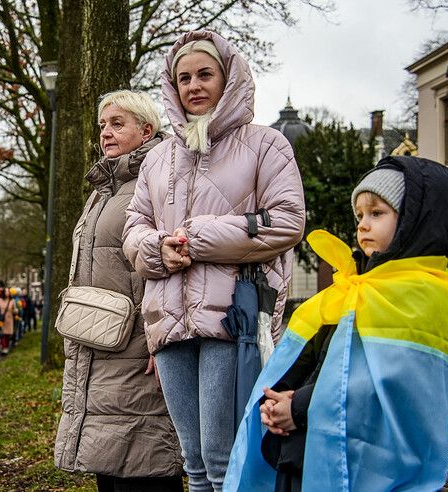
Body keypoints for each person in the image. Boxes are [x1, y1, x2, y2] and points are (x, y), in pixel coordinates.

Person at [122, 31, 305, 491]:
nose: (194, 85)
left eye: (205, 74)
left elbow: (287, 221)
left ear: (229, 79)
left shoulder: (266, 145)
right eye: (183, 77)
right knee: (195, 462)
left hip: (231, 320)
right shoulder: (158, 158)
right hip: (168, 322)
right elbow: (134, 227)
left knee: (225, 461)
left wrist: (197, 238)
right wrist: (157, 249)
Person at [224, 156, 448, 491]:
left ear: (417, 222)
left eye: (377, 213)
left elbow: (381, 390)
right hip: (304, 451)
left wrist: (296, 408)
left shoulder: (426, 300)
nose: (363, 225)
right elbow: (310, 356)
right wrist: (275, 398)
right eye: (360, 216)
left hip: (365, 467)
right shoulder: (354, 290)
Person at [55, 89, 184, 491]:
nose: (105, 133)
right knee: (108, 469)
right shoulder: (101, 191)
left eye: (117, 124)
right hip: (97, 349)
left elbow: (175, 263)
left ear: (147, 130)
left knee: (146, 466)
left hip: (137, 352)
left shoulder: (163, 181)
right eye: (101, 125)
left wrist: (162, 341)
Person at [0, 286, 14, 355]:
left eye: (8, 292)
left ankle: (4, 346)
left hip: (9, 319)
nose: (7, 293)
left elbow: (14, 310)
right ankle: (4, 347)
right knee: (2, 334)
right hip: (1, 319)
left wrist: (16, 310)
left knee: (7, 334)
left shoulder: (11, 301)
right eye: (6, 291)